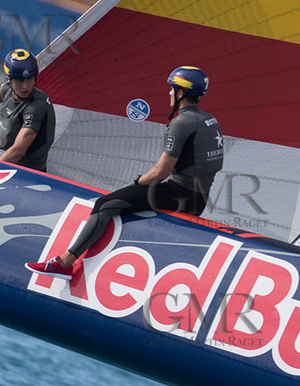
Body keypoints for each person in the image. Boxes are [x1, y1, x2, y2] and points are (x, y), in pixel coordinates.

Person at [27, 66, 222, 277]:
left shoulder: (181, 123)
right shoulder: (210, 120)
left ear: (181, 93)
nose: (169, 93)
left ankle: (65, 263)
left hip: (179, 195)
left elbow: (160, 173)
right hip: (199, 199)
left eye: (172, 89)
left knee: (105, 204)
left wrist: (138, 183)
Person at [0, 49, 55, 171]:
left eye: (30, 79)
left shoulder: (36, 107)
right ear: (9, 79)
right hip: (7, 159)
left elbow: (18, 150)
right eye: (19, 81)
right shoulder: (8, 88)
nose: (25, 86)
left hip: (29, 171)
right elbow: (3, 91)